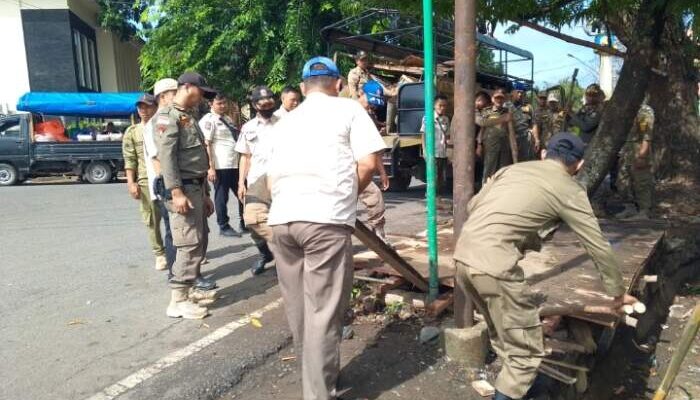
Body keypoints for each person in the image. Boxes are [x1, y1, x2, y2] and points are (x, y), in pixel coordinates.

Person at [453, 132, 638, 400]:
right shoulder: (569, 188)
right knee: (525, 354)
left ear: (543, 153)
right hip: (496, 269)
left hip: (463, 259)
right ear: (579, 164)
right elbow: (596, 244)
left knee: (506, 338)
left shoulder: (511, 170)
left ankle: (524, 392)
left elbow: (473, 205)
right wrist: (618, 292)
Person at [267, 56, 385, 400]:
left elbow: (272, 177)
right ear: (337, 84)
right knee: (323, 310)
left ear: (303, 88)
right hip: (325, 220)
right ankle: (318, 392)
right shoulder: (349, 110)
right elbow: (367, 164)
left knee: (300, 309)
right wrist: (346, 196)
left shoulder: (284, 121)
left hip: (283, 219)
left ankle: (318, 378)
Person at [155, 72, 217, 319]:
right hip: (182, 190)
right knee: (188, 244)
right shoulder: (167, 118)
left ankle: (189, 290)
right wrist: (176, 192)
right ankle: (177, 300)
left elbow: (196, 158)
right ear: (187, 87)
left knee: (199, 241)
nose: (202, 97)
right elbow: (167, 158)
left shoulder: (187, 117)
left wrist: (205, 193)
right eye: (200, 92)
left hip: (196, 188)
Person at [235, 85, 279, 276]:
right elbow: (245, 157)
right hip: (256, 181)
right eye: (263, 102)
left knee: (283, 219)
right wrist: (240, 183)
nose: (268, 104)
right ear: (254, 105)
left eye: (270, 100)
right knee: (252, 221)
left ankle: (289, 255)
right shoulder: (248, 128)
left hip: (281, 178)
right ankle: (265, 253)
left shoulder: (284, 122)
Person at [122, 93, 166, 271]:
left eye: (147, 106)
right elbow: (129, 159)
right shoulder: (133, 132)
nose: (143, 110)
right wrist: (131, 183)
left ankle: (179, 251)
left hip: (166, 177)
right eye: (140, 107)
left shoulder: (163, 127)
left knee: (174, 217)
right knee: (152, 219)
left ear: (155, 107)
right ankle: (160, 253)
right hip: (146, 180)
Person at [200, 93, 244, 237]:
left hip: (234, 163)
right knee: (221, 196)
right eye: (219, 103)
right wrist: (210, 168)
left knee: (243, 192)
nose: (223, 106)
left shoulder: (227, 119)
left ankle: (245, 222)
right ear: (211, 104)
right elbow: (207, 144)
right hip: (220, 165)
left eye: (224, 103)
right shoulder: (208, 120)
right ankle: (223, 226)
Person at [357, 80, 391, 243]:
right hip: (339, 167)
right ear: (360, 93)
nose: (372, 107)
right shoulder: (344, 112)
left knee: (375, 196)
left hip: (358, 167)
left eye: (374, 105)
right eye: (370, 102)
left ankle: (378, 231)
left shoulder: (369, 117)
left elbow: (374, 149)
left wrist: (383, 172)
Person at [616, 104, 655, 220]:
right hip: (626, 150)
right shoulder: (624, 108)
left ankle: (644, 211)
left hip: (638, 149)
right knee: (623, 181)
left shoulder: (644, 111)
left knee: (641, 181)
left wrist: (642, 156)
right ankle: (630, 208)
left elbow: (647, 136)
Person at [477, 88, 515, 183]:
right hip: (491, 145)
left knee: (502, 170)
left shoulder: (507, 112)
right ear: (493, 99)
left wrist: (513, 147)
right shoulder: (487, 111)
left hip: (504, 146)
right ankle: (485, 191)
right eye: (497, 98)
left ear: (504, 100)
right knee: (489, 170)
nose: (499, 100)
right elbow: (482, 128)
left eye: (501, 98)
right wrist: (479, 144)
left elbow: (511, 131)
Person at [420, 93, 451, 192]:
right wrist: (425, 150)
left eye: (445, 106)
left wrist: (449, 152)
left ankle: (438, 198)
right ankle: (431, 199)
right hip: (432, 152)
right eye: (440, 105)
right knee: (434, 177)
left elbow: (447, 136)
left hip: (442, 153)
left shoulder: (446, 119)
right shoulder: (428, 117)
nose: (442, 108)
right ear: (434, 105)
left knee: (441, 178)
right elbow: (424, 134)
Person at [508, 86, 535, 161]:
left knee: (525, 162)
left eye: (522, 93)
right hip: (510, 139)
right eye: (518, 92)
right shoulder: (506, 106)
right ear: (512, 93)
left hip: (525, 140)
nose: (520, 94)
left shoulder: (528, 107)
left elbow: (533, 124)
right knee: (510, 161)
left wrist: (536, 139)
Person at [531, 91, 549, 156]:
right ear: (538, 99)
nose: (543, 100)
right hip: (539, 141)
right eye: (541, 98)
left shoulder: (549, 110)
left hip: (548, 142)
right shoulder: (536, 111)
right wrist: (536, 140)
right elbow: (534, 126)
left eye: (544, 98)